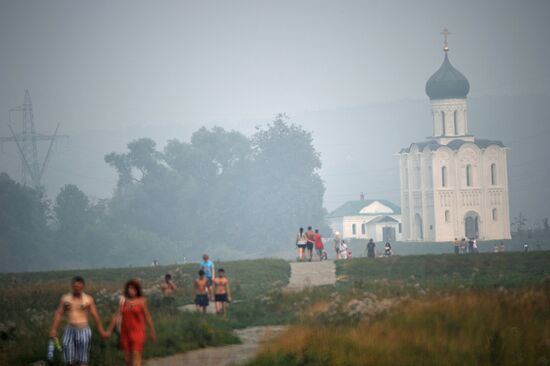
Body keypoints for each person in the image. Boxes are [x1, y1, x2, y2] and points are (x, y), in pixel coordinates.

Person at [49, 276, 108, 366]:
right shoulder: (65, 298)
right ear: (72, 286)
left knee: (83, 359)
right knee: (69, 359)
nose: (77, 288)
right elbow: (59, 314)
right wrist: (54, 330)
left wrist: (102, 331)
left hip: (83, 329)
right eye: (75, 286)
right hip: (70, 329)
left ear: (82, 286)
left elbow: (95, 315)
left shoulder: (88, 299)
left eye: (79, 286)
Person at [107, 279, 156, 366]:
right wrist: (109, 331)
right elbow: (117, 315)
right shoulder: (123, 301)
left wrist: (152, 331)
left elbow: (148, 317)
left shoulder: (142, 301)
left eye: (134, 289)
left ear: (137, 290)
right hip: (125, 333)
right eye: (130, 288)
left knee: (136, 356)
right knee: (127, 360)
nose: (131, 291)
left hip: (138, 333)